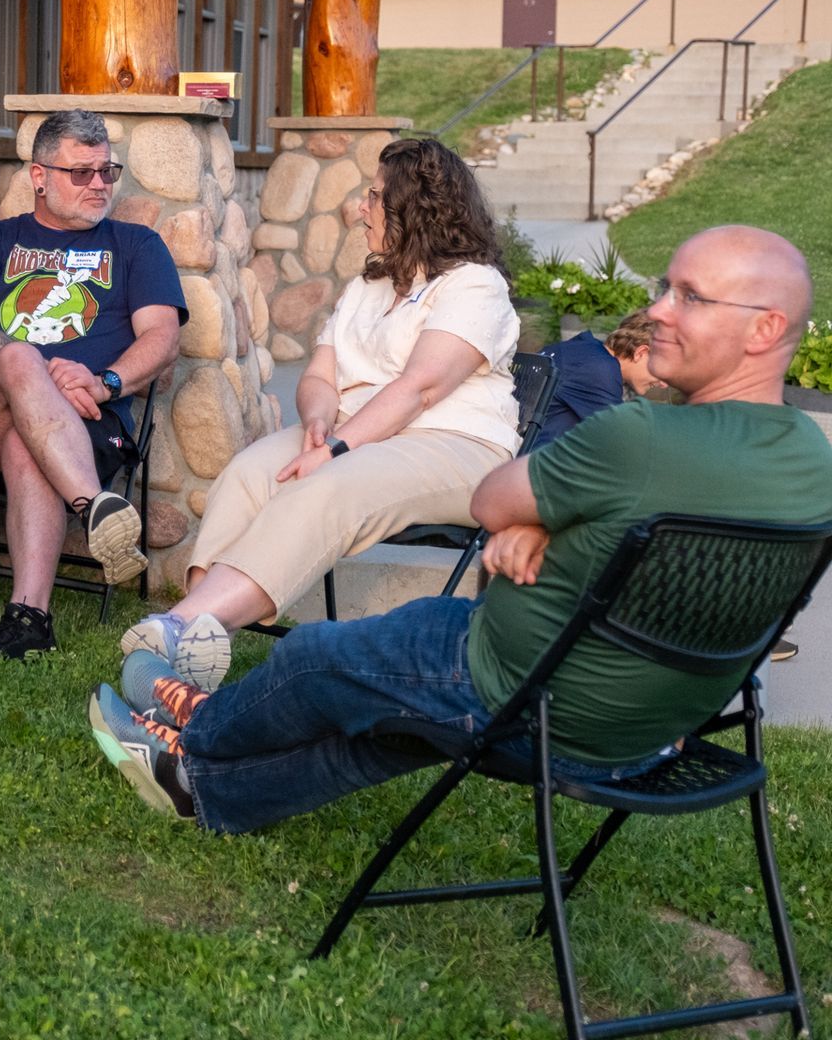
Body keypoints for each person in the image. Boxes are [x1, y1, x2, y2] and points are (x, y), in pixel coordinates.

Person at [87, 225, 832, 834]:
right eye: (666, 288)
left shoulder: (635, 441)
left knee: (316, 661)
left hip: (516, 690)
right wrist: (552, 522)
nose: (660, 310)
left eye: (692, 297)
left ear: (765, 329)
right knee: (384, 730)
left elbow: (490, 499)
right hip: (650, 738)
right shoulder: (811, 462)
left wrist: (536, 518)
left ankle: (197, 734)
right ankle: (210, 792)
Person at [122, 138, 519, 687]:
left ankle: (180, 625)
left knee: (328, 485)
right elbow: (318, 377)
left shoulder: (475, 285)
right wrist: (317, 421)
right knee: (248, 473)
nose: (361, 206)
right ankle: (197, 648)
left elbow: (420, 388)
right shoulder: (369, 286)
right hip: (359, 433)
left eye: (376, 197)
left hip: (453, 443)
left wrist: (335, 449)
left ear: (416, 209)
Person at [0, 108, 186, 659]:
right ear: (40, 176)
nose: (98, 185)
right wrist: (44, 376)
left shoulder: (137, 245)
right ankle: (96, 505)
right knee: (21, 356)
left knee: (32, 443)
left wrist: (104, 383)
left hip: (89, 417)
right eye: (81, 172)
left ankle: (29, 620)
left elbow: (162, 337)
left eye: (106, 172)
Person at [532, 308, 656, 448]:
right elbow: (625, 442)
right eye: (662, 366)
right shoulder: (600, 369)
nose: (664, 383)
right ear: (640, 353)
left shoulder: (585, 349)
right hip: (537, 463)